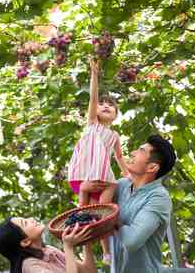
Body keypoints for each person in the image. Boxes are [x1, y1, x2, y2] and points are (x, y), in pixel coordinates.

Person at [80, 134, 177, 273]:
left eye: (141, 151)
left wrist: (109, 217)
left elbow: (131, 241)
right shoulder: (121, 185)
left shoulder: (159, 198)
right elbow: (88, 218)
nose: (132, 153)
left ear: (152, 167)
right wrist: (84, 191)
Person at [68, 59, 125, 264]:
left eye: (111, 105)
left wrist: (127, 173)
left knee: (100, 211)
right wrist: (94, 74)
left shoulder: (114, 135)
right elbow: (92, 98)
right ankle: (83, 237)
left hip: (102, 176)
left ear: (116, 115)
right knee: (88, 211)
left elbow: (119, 157)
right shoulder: (92, 124)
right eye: (102, 104)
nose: (105, 106)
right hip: (85, 174)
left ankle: (106, 251)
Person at [0, 216, 97, 273]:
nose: (31, 219)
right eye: (25, 223)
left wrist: (86, 241)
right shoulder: (31, 266)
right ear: (25, 242)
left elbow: (89, 271)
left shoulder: (49, 250)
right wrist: (68, 247)